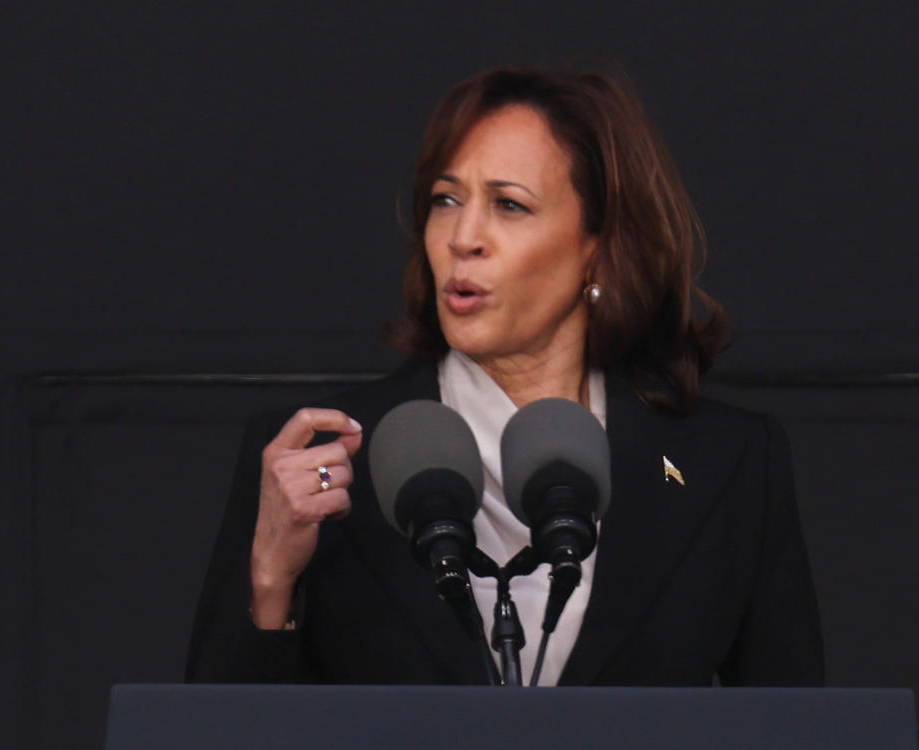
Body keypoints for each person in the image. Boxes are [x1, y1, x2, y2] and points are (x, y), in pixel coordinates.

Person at [186, 66, 824, 687]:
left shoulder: (730, 463)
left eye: (509, 206)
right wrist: (271, 582)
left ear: (598, 248)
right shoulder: (313, 463)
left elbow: (798, 730)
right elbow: (208, 735)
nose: (464, 237)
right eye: (445, 200)